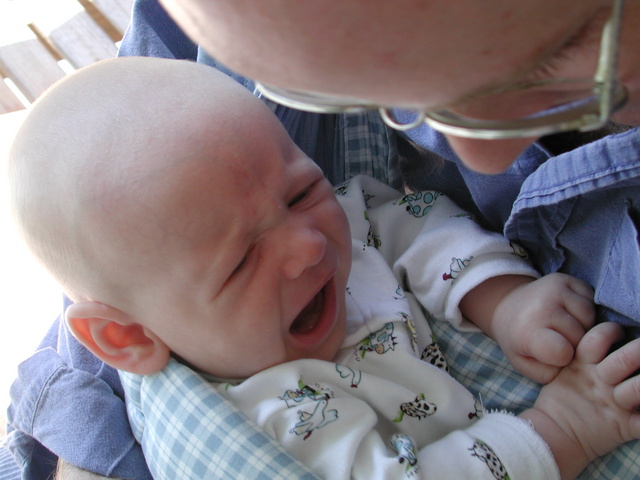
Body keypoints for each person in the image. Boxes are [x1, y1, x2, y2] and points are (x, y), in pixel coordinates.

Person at [2, 1, 639, 478]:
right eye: (241, 262)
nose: (308, 245)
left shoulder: (301, 230)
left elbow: (409, 223)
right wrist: (564, 429)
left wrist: (500, 300)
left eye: (303, 191)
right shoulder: (268, 423)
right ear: (127, 338)